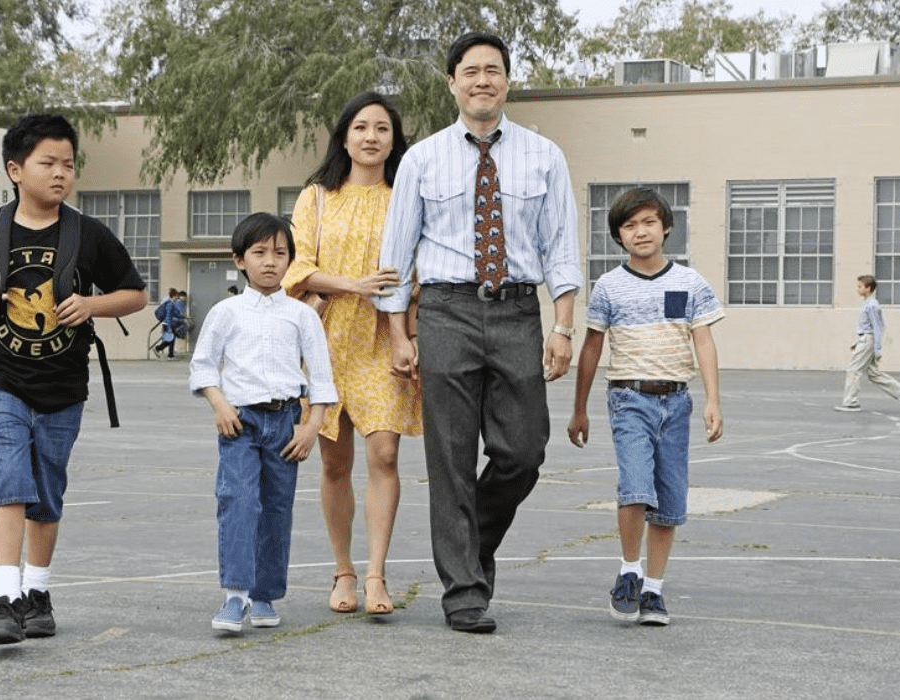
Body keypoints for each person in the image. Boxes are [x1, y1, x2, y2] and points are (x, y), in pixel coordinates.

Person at [375, 32, 582, 633]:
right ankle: (464, 590)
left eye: (493, 70)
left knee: (524, 450)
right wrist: (397, 333)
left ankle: (474, 546)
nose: (482, 80)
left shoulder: (544, 155)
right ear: (452, 82)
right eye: (471, 71)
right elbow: (398, 252)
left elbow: (561, 249)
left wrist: (563, 325)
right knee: (450, 456)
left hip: (518, 311)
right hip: (445, 312)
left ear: (508, 80)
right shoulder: (422, 159)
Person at [0, 114, 148, 645]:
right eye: (47, 163)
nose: (60, 174)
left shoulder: (88, 233)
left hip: (63, 386)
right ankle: (3, 601)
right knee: (9, 476)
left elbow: (135, 293)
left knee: (47, 491)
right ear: (15, 169)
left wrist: (94, 304)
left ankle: (38, 592)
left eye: (69, 165)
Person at [282, 91, 422, 616]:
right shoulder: (317, 196)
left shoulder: (406, 195)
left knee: (384, 452)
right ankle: (342, 570)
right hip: (326, 337)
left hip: (385, 338)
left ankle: (376, 575)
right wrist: (355, 285)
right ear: (344, 135)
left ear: (394, 139)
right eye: (360, 127)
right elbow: (299, 268)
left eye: (382, 128)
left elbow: (416, 273)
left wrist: (408, 330)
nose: (371, 137)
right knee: (334, 462)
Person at [566, 187, 725, 627]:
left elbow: (704, 341)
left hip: (676, 401)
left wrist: (713, 400)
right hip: (629, 398)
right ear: (618, 235)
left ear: (666, 227)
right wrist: (579, 408)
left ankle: (653, 590)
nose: (641, 232)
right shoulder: (609, 288)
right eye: (630, 225)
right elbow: (592, 347)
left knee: (669, 500)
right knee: (636, 486)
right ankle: (630, 570)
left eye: (649, 222)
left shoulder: (691, 283)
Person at [190, 212, 337, 633]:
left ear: (291, 260)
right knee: (238, 501)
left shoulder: (302, 315)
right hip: (240, 423)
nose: (270, 261)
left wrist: (311, 427)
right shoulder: (225, 312)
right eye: (259, 253)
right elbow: (202, 368)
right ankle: (234, 596)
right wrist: (220, 406)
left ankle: (264, 595)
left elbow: (323, 377)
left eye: (280, 253)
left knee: (276, 509)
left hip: (286, 423)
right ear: (240, 260)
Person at [834, 275, 900, 412]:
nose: (857, 289)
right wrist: (857, 342)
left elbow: (877, 328)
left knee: (853, 370)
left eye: (860, 286)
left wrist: (877, 349)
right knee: (873, 374)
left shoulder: (872, 305)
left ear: (868, 288)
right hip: (864, 340)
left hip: (867, 341)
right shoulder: (867, 303)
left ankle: (851, 403)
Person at [153, 288, 179, 359]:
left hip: (168, 323)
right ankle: (158, 348)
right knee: (171, 339)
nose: (177, 297)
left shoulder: (168, 302)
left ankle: (170, 354)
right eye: (177, 296)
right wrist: (169, 328)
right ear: (173, 295)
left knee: (171, 339)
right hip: (168, 324)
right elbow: (168, 315)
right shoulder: (169, 303)